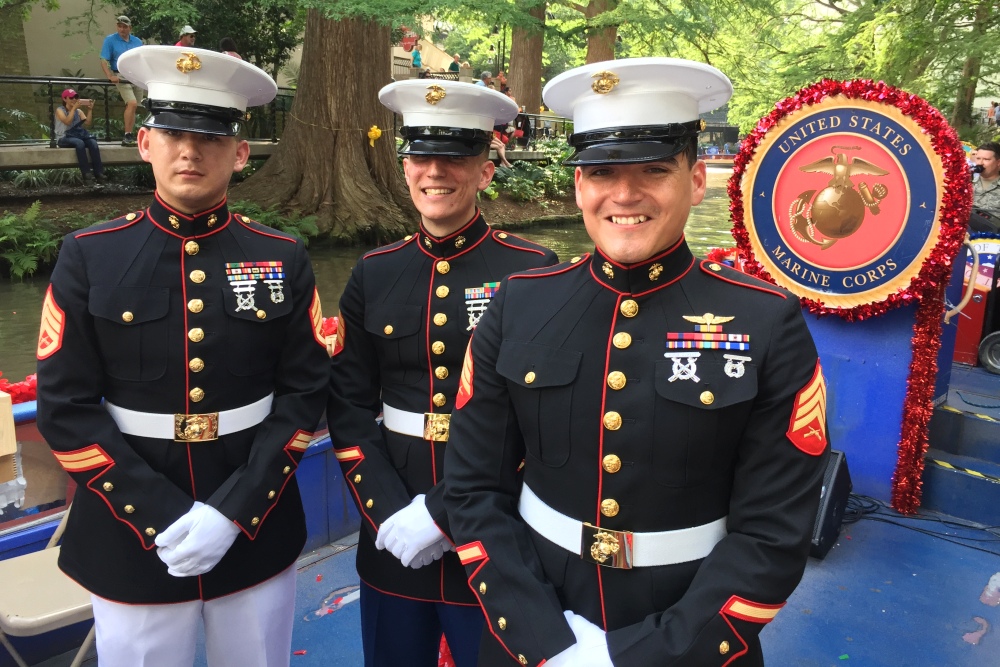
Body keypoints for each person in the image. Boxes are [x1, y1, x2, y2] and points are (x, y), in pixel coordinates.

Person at [441, 57, 830, 667]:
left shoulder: (765, 321)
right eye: (600, 171)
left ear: (696, 180)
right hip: (532, 619)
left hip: (691, 631)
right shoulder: (520, 303)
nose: (625, 194)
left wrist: (642, 655)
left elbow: (773, 532)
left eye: (654, 169)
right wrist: (546, 642)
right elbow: (471, 490)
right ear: (578, 186)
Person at [36, 45, 330, 667]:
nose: (189, 151)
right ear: (145, 143)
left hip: (255, 523)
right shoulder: (90, 256)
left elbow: (304, 394)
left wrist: (232, 513)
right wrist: (161, 514)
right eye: (171, 133)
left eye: (209, 137)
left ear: (241, 154)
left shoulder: (282, 256)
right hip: (128, 529)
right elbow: (63, 406)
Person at [326, 79, 558, 667]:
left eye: (454, 157)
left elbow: (544, 422)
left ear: (484, 169)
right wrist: (389, 515)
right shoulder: (375, 273)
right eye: (420, 156)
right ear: (404, 166)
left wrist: (446, 513)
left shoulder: (533, 271)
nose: (435, 171)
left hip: (498, 526)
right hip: (394, 526)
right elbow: (349, 407)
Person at [99, 15, 143, 146]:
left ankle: (133, 134)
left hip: (135, 75)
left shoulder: (137, 41)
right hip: (121, 75)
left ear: (130, 27)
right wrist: (110, 75)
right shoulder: (110, 40)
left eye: (125, 27)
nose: (122, 29)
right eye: (119, 26)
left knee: (138, 106)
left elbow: (142, 60)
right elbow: (103, 59)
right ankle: (127, 135)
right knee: (132, 103)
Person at [55, 88, 105, 185]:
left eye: (76, 97)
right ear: (65, 99)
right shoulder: (60, 110)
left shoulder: (79, 111)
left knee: (93, 143)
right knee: (80, 143)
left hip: (76, 136)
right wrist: (73, 109)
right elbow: (67, 121)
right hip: (63, 138)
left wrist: (90, 110)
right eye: (71, 98)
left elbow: (88, 123)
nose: (74, 99)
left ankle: (99, 173)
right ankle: (86, 174)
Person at [973, 142, 1000, 215]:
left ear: (998, 162)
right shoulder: (967, 183)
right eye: (978, 158)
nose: (980, 163)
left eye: (986, 159)